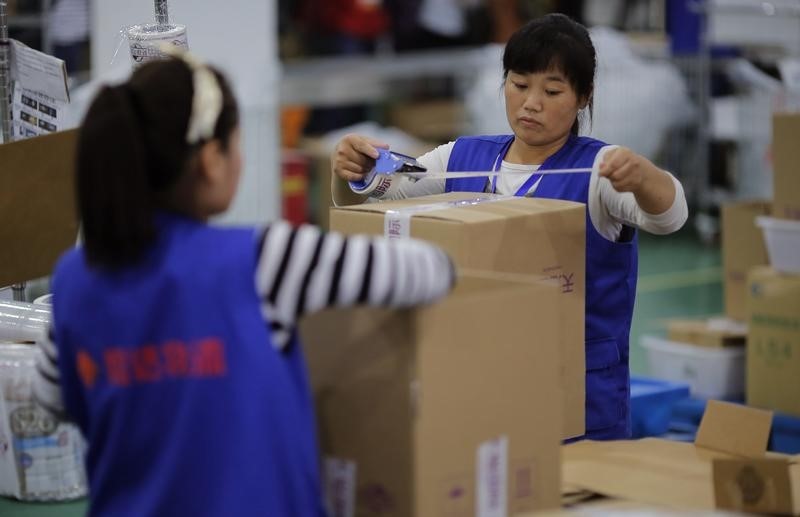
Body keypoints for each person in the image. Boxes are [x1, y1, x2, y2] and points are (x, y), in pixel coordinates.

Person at [31, 50, 455, 516]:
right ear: (212, 160)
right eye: (237, 141)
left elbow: (52, 401)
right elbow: (431, 270)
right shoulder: (266, 259)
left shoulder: (74, 278)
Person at [331, 13, 688, 441]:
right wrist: (354, 169)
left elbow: (670, 216)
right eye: (519, 84)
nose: (531, 103)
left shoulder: (600, 170)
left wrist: (644, 178)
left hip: (581, 398)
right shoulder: (458, 158)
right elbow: (375, 197)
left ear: (583, 97)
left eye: (552, 90)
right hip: (484, 384)